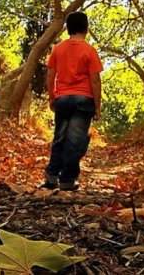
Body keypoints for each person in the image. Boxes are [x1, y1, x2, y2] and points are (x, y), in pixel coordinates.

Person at [43, 11, 102, 191]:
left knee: (59, 137)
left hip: (62, 98)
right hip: (83, 99)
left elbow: (50, 75)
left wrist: (52, 96)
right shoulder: (90, 51)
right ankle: (67, 180)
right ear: (86, 28)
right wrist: (97, 107)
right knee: (75, 141)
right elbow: (95, 80)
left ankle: (51, 177)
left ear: (68, 28)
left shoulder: (58, 49)